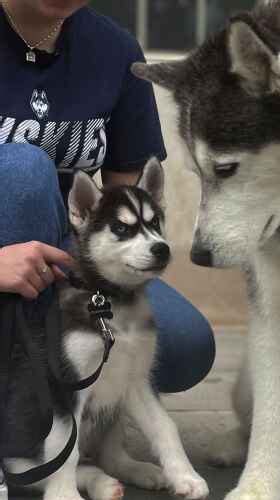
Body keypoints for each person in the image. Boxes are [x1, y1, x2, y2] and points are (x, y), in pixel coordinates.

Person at [0, 0, 215, 393]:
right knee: (22, 170)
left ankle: (51, 378)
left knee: (184, 346)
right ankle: (20, 399)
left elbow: (127, 198)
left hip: (66, 255)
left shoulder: (114, 50)